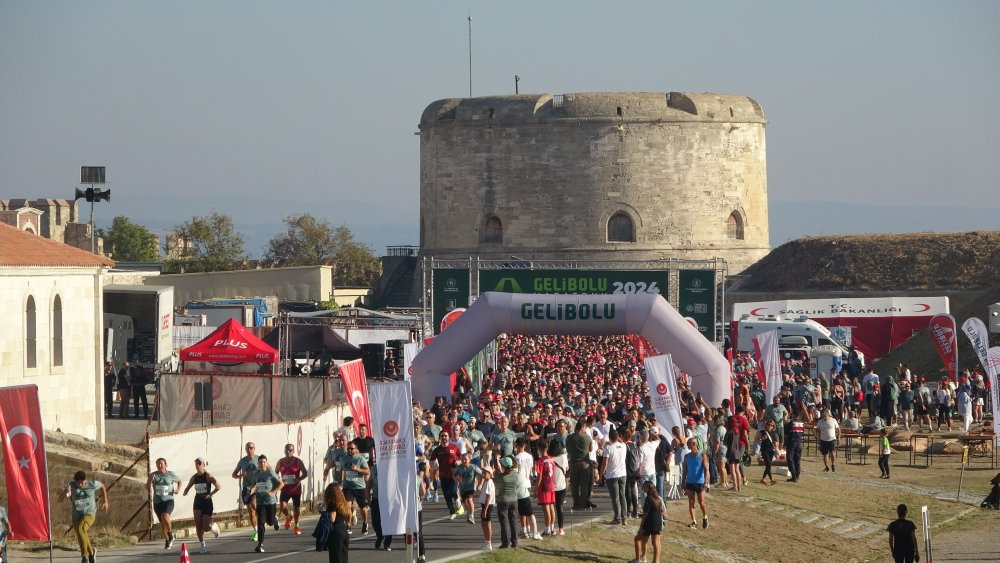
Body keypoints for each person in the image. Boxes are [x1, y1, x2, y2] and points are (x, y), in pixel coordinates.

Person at [60, 470, 108, 563]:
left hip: (89, 513)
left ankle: (84, 557)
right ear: (75, 481)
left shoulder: (92, 484)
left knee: (82, 529)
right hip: (76, 516)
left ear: (86, 480)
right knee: (82, 534)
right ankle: (91, 552)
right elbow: (59, 499)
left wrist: (105, 502)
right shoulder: (71, 485)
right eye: (78, 483)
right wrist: (65, 492)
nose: (80, 485)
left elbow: (102, 486)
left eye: (82, 483)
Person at [183, 457, 221, 554]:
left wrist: (211, 494)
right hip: (198, 500)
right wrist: (186, 490)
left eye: (199, 463)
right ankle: (202, 545)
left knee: (205, 527)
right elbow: (188, 486)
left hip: (207, 501)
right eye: (196, 463)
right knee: (197, 523)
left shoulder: (208, 476)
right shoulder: (194, 477)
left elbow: (218, 486)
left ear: (204, 465)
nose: (197, 465)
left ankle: (213, 526)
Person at [250, 454, 283, 553]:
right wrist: (250, 493)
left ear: (266, 463)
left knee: (270, 522)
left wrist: (273, 492)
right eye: (260, 462)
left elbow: (282, 484)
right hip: (261, 502)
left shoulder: (270, 473)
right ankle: (260, 544)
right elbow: (254, 485)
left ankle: (275, 521)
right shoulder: (256, 474)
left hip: (271, 501)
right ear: (258, 464)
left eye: (264, 462)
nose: (262, 464)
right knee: (261, 522)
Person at [147, 457, 182, 549]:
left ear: (166, 465)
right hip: (157, 502)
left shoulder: (171, 474)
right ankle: (167, 540)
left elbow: (179, 481)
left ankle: (170, 534)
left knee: (165, 515)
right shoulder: (153, 475)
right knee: (162, 524)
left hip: (168, 500)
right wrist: (150, 480)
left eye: (161, 463)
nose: (159, 465)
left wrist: (178, 489)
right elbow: (147, 487)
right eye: (158, 464)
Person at [276, 443, 308, 535]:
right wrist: (278, 480)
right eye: (286, 450)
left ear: (293, 451)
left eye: (290, 450)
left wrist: (299, 479)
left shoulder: (298, 461)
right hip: (285, 488)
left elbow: (305, 473)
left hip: (295, 488)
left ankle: (297, 525)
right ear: (284, 451)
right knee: (283, 506)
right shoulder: (280, 462)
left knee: (296, 509)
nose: (288, 452)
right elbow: (275, 473)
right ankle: (288, 517)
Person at [630, 481, 665, 563]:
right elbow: (663, 511)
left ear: (649, 488)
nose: (643, 488)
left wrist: (641, 527)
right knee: (656, 543)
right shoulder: (658, 498)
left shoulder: (648, 499)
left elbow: (645, 515)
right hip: (657, 523)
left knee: (638, 539)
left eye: (645, 487)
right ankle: (655, 561)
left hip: (649, 523)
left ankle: (639, 559)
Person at [341, 441, 371, 535]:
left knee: (362, 508)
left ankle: (365, 523)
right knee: (347, 506)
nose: (349, 450)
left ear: (356, 449)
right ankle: (348, 525)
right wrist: (340, 481)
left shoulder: (360, 459)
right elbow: (343, 470)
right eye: (348, 448)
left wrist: (357, 469)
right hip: (347, 487)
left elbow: (367, 471)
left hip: (359, 487)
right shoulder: (344, 458)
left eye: (351, 449)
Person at [232, 442, 260, 541]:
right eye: (247, 448)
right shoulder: (242, 461)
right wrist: (241, 475)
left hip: (257, 487)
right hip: (246, 487)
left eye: (251, 448)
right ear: (245, 449)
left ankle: (265, 515)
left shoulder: (259, 459)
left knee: (254, 505)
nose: (249, 450)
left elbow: (268, 469)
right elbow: (234, 474)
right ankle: (256, 531)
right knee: (251, 512)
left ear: (254, 448)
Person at [601, 427, 628, 525]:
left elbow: (605, 463)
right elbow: (620, 441)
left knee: (615, 497)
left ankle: (618, 518)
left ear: (609, 438)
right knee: (622, 496)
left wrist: (601, 474)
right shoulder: (623, 446)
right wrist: (616, 439)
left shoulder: (608, 448)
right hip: (622, 474)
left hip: (612, 475)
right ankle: (624, 517)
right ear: (618, 437)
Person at [566, 419, 594, 511]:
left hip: (574, 463)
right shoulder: (587, 437)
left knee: (574, 485)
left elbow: (568, 450)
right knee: (584, 485)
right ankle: (582, 503)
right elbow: (590, 449)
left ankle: (576, 503)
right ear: (582, 428)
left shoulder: (570, 437)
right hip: (585, 463)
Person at [682, 437, 709, 529]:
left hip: (700, 482)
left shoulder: (702, 455)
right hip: (689, 482)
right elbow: (684, 470)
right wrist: (683, 483)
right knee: (691, 502)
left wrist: (706, 481)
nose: (687, 445)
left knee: (701, 502)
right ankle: (694, 521)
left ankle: (705, 517)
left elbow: (706, 469)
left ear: (694, 444)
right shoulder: (686, 456)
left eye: (688, 443)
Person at [494, 455, 522, 549]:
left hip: (503, 501)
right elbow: (517, 484)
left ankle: (505, 543)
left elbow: (496, 482)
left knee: (504, 522)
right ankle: (515, 542)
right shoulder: (515, 475)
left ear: (503, 466)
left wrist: (496, 471)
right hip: (514, 500)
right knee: (514, 522)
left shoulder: (501, 477)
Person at [323, 483, 351, 563]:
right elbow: (349, 515)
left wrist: (324, 513)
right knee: (344, 557)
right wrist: (348, 524)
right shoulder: (344, 503)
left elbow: (332, 519)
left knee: (336, 557)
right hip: (344, 530)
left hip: (335, 532)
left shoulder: (332, 503)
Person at [478, 463, 496, 551]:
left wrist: (485, 510)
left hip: (487, 506)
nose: (483, 475)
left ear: (490, 473)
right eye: (482, 473)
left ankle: (489, 543)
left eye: (485, 473)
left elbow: (488, 497)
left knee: (487, 524)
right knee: (483, 523)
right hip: (484, 505)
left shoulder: (489, 482)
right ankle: (486, 542)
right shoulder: (486, 482)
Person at [756, 420, 777, 486]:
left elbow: (775, 443)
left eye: (771, 425)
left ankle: (763, 479)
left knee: (769, 465)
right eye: (768, 425)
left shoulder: (774, 433)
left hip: (771, 450)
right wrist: (762, 439)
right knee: (768, 464)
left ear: (773, 426)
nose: (770, 426)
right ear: (766, 425)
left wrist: (775, 444)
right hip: (764, 450)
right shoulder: (762, 432)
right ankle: (771, 479)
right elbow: (757, 440)